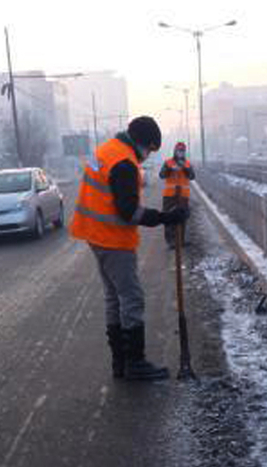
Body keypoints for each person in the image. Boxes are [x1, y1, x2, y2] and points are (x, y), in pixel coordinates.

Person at [70, 116, 188, 381]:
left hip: (94, 234)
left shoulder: (105, 150)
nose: (147, 157)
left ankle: (120, 363)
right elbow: (128, 212)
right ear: (143, 143)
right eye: (150, 150)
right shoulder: (124, 162)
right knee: (131, 298)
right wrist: (166, 217)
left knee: (114, 297)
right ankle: (134, 362)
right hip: (112, 239)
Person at [159, 142, 195, 248]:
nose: (180, 153)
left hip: (183, 196)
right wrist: (170, 169)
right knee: (169, 217)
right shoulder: (168, 162)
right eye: (179, 150)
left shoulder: (187, 164)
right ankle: (171, 241)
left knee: (182, 218)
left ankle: (181, 241)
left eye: (182, 151)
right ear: (175, 151)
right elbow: (161, 175)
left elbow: (192, 176)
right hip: (169, 195)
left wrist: (185, 168)